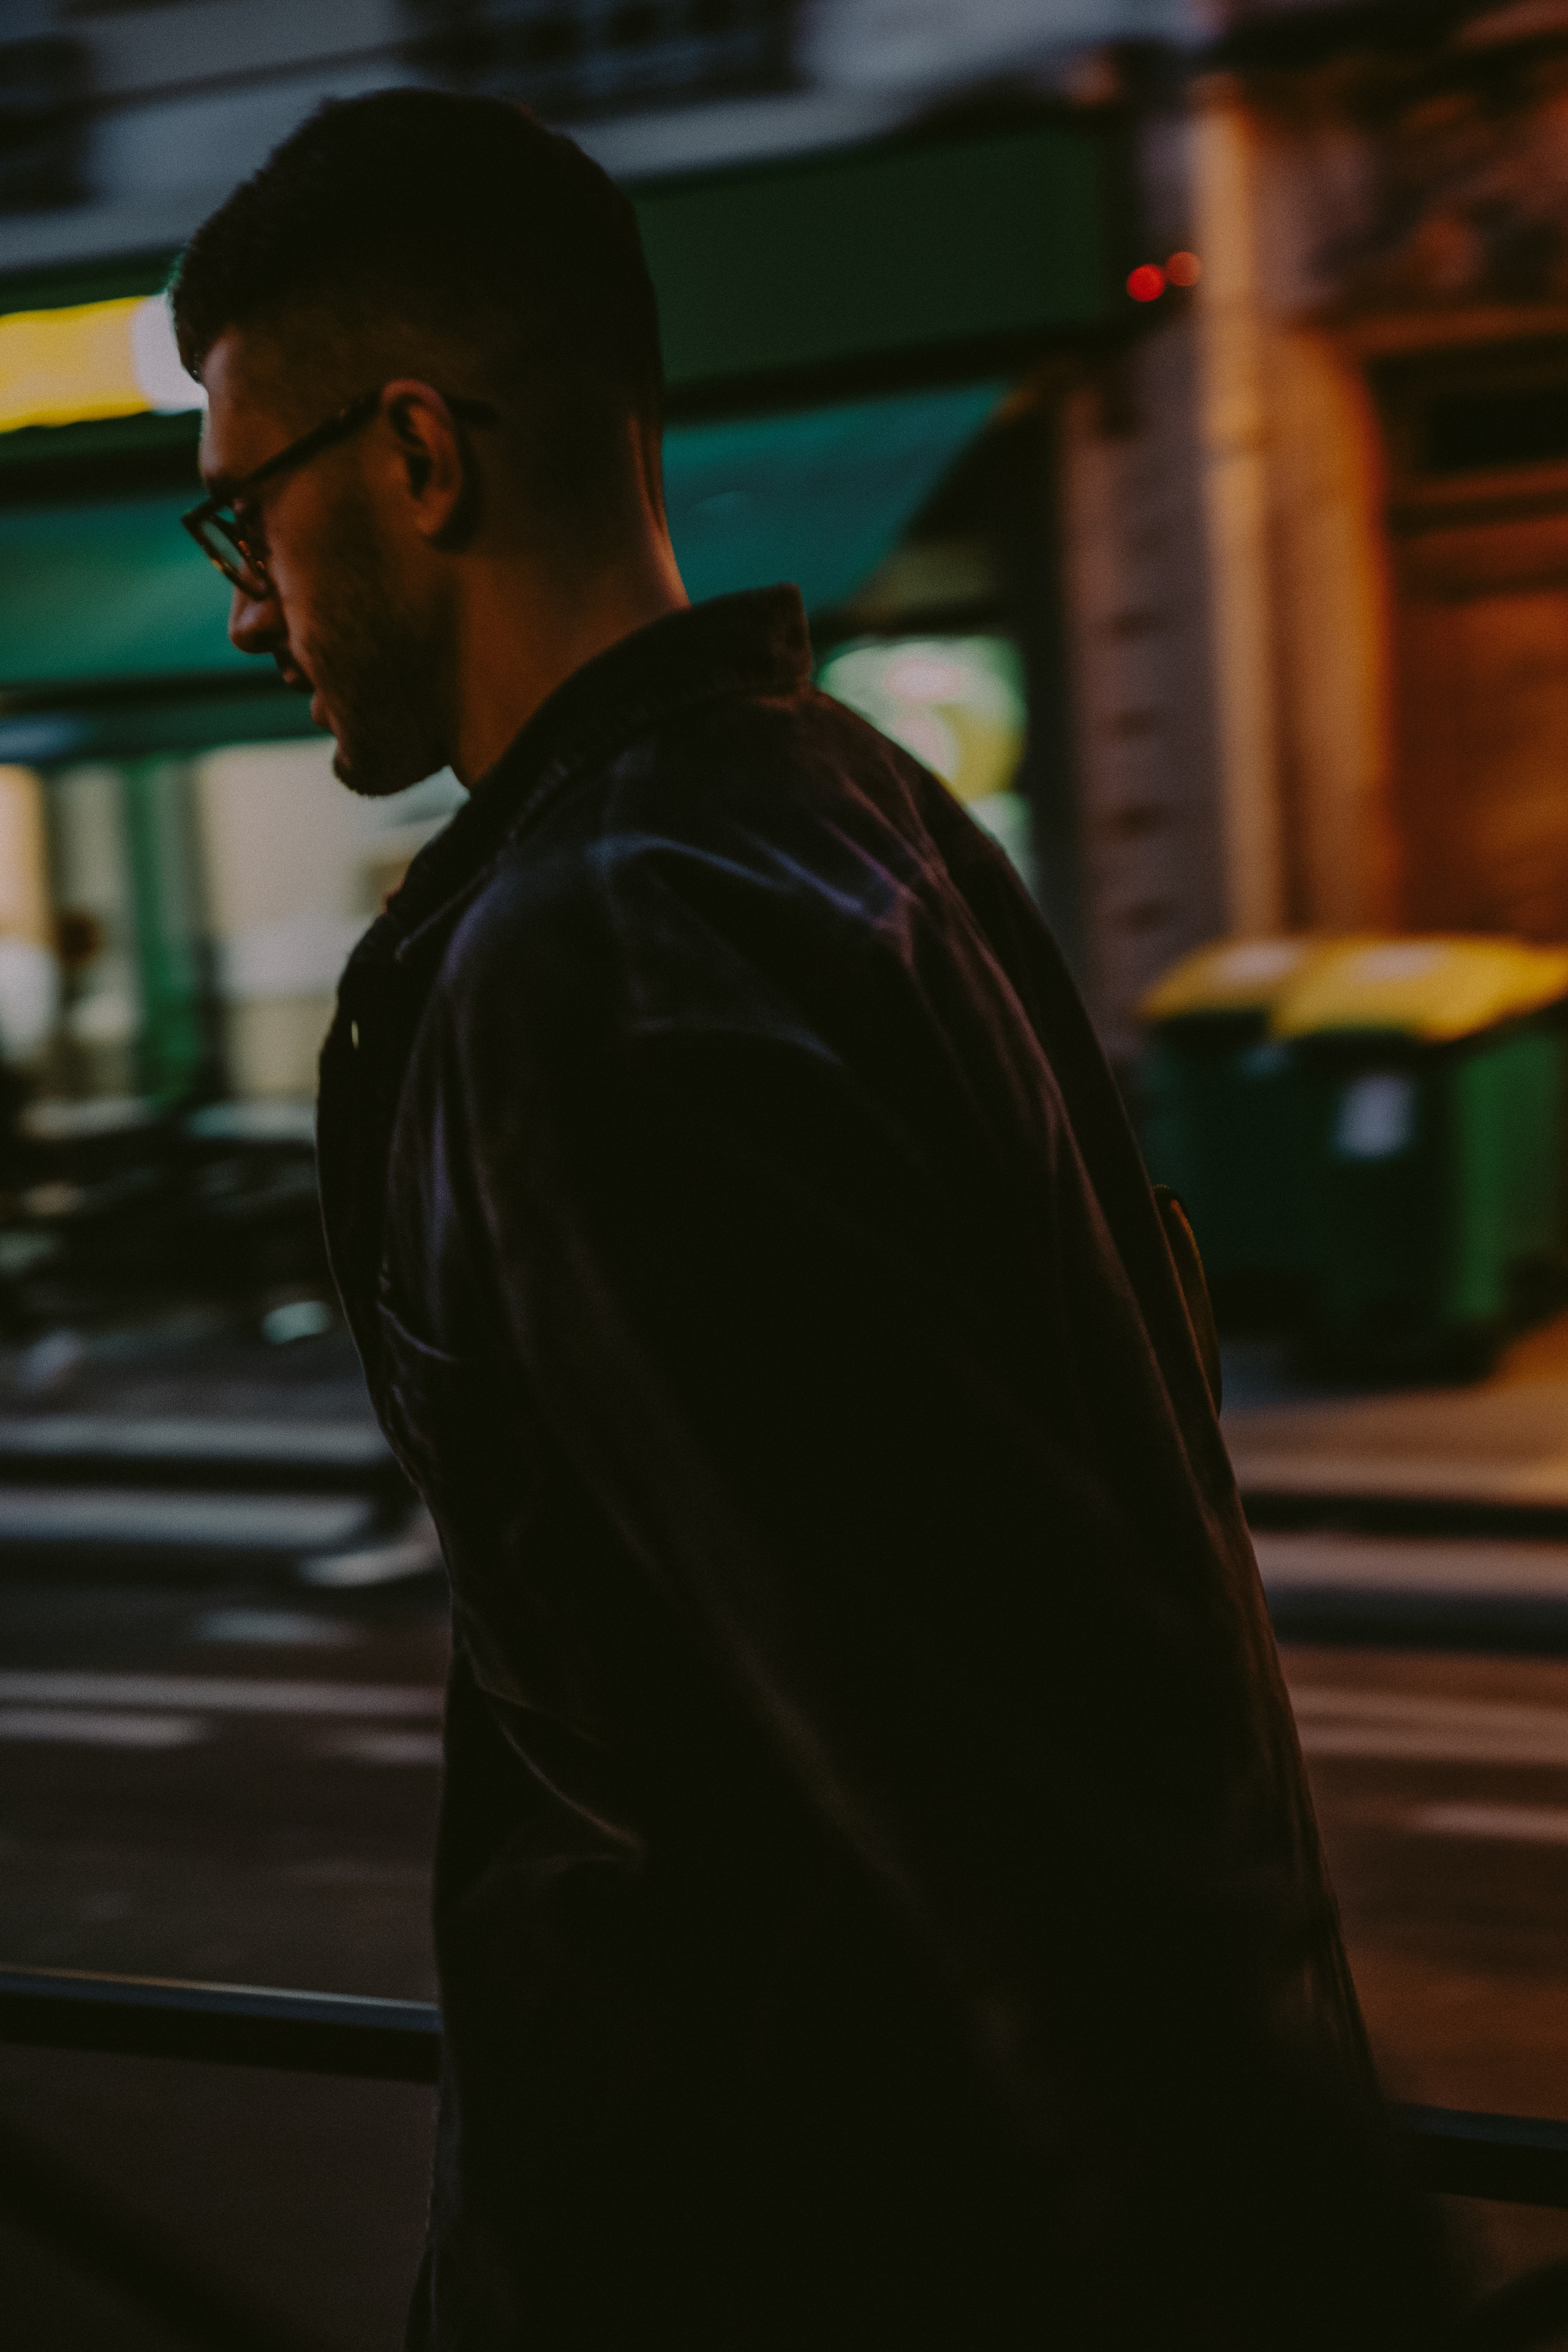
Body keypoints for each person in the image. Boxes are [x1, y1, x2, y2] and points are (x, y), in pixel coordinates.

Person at [172, 89, 1447, 2351]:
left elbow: (969, 1763)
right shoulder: (859, 819)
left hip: (769, 2254)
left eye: (243, 512)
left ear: (418, 455)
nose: (247, 603)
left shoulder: (597, 965)